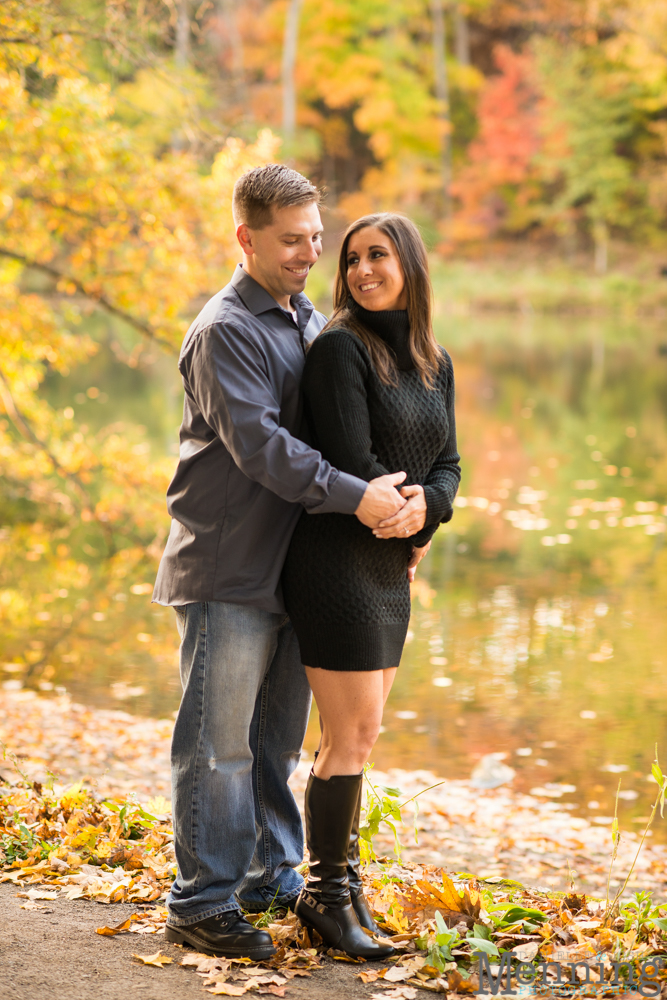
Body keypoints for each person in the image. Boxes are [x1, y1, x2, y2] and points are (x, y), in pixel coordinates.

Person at [153, 166, 407, 960]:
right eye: (292, 239)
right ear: (246, 238)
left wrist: (409, 510)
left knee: (272, 744)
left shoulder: (302, 321)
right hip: (229, 565)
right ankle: (200, 903)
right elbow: (265, 451)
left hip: (297, 569)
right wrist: (360, 497)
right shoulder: (226, 328)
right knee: (217, 744)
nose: (311, 252)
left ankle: (271, 879)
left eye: (314, 237)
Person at [282, 213, 461, 957]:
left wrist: (426, 513)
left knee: (360, 734)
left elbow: (448, 464)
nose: (360, 270)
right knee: (349, 736)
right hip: (335, 562)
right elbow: (353, 462)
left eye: (376, 255)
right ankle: (325, 897)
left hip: (390, 564)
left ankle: (339, 892)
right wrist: (406, 518)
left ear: (408, 264)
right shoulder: (338, 349)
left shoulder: (432, 361)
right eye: (351, 258)